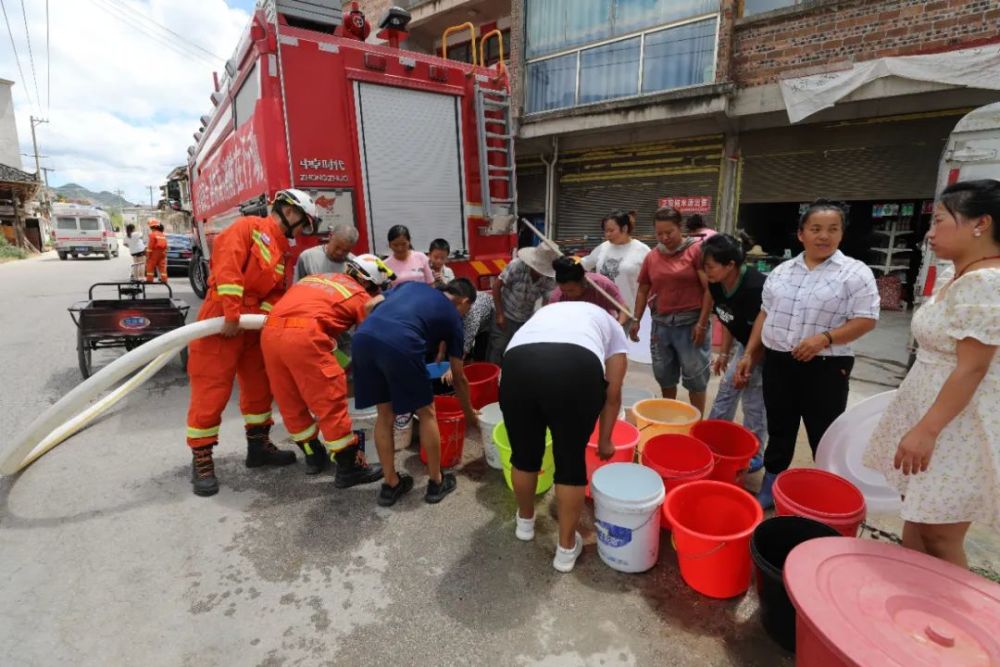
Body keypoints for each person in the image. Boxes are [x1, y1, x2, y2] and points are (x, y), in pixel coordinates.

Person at [863, 180, 1000, 568]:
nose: (930, 231)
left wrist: (927, 430)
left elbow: (972, 367)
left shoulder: (986, 282)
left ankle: (952, 617)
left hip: (956, 424)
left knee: (941, 532)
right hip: (934, 413)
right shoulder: (958, 275)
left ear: (981, 224)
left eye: (940, 220)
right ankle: (914, 596)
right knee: (919, 515)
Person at [736, 200, 879, 509]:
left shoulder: (855, 273)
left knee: (825, 433)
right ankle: (771, 485)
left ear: (842, 233)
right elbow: (765, 314)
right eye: (816, 229)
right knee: (780, 427)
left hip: (826, 365)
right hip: (778, 361)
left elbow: (866, 319)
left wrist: (824, 339)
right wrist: (750, 353)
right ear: (801, 234)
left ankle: (826, 493)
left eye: (832, 229)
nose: (824, 236)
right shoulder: (782, 271)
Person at [186, 189, 318, 497]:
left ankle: (258, 446)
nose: (302, 232)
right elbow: (227, 266)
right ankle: (202, 458)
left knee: (260, 387)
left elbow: (275, 295)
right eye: (304, 224)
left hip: (254, 324)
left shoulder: (282, 251)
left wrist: (268, 321)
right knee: (212, 389)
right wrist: (232, 313)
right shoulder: (247, 228)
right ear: (291, 212)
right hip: (221, 318)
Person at [500, 302, 628, 573]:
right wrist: (605, 440)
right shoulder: (613, 325)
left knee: (524, 455)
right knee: (570, 464)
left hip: (517, 365)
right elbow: (613, 394)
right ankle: (566, 550)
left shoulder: (547, 312)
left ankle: (525, 523)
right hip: (574, 369)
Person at [261, 255, 392, 487]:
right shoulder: (360, 295)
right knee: (329, 402)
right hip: (305, 338)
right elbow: (371, 336)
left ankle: (313, 456)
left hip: (270, 333)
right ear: (368, 282)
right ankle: (349, 468)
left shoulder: (316, 278)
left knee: (290, 400)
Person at [352, 279, 479, 506]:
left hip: (363, 339)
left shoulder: (411, 286)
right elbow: (458, 376)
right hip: (401, 343)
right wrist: (469, 414)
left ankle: (391, 484)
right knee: (427, 412)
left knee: (385, 414)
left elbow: (369, 306)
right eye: (466, 311)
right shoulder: (453, 317)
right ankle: (436, 482)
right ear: (465, 302)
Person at [631, 207, 712, 415]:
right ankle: (670, 415)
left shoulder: (696, 251)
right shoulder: (652, 256)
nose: (664, 237)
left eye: (669, 232)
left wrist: (702, 324)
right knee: (664, 374)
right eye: (659, 233)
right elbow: (643, 290)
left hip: (691, 323)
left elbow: (709, 289)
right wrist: (636, 319)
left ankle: (696, 422)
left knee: (695, 377)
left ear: (680, 228)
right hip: (661, 324)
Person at [703, 234, 767, 473]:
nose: (705, 271)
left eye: (710, 266)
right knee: (727, 389)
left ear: (730, 265)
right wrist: (724, 354)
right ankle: (711, 440)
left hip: (768, 346)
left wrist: (748, 364)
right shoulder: (716, 283)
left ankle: (755, 454)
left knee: (754, 401)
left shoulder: (755, 287)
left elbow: (762, 334)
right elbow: (728, 318)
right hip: (745, 345)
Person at [488, 245, 558, 363]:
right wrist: (500, 314)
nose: (540, 272)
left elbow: (546, 303)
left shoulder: (549, 279)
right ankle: (494, 376)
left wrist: (540, 322)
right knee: (498, 347)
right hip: (505, 312)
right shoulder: (516, 265)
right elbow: (496, 286)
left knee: (518, 349)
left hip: (525, 317)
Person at [580, 210, 650, 319]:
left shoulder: (642, 251)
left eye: (611, 230)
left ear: (625, 228)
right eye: (605, 231)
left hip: (631, 315)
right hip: (604, 313)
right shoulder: (603, 248)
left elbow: (651, 283)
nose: (607, 235)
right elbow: (584, 263)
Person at [548, 256, 628, 323]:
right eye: (564, 291)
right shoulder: (557, 297)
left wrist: (618, 327)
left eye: (571, 290)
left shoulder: (602, 285)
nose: (568, 294)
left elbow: (624, 310)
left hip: (602, 328)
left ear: (583, 281)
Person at [294, 223, 358, 282]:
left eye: (346, 250)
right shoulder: (308, 257)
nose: (340, 253)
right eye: (337, 247)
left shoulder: (355, 265)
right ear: (330, 236)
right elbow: (295, 288)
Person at [145, 218, 168, 284]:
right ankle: (164, 280)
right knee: (162, 267)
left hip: (154, 253)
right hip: (162, 253)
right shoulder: (162, 234)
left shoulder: (152, 235)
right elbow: (166, 244)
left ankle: (149, 280)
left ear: (152, 227)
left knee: (150, 266)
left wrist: (148, 255)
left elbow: (150, 246)